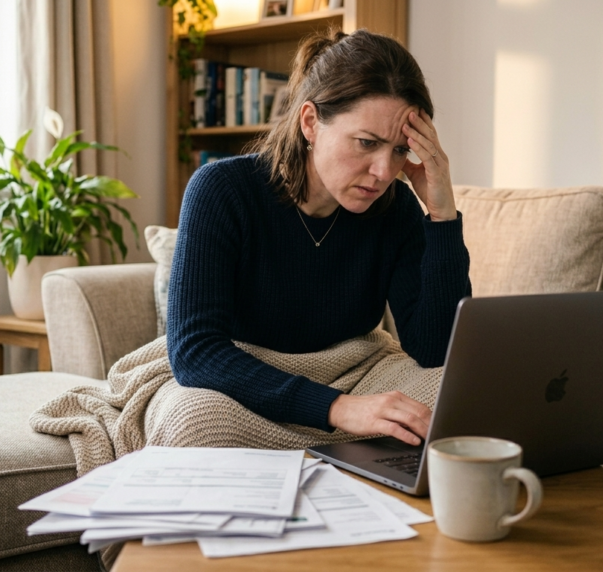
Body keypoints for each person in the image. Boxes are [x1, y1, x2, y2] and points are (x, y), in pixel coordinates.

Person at [166, 28, 471, 446]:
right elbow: (195, 351)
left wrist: (442, 214)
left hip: (355, 370)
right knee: (197, 425)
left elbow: (436, 352)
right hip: (245, 377)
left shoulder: (396, 207)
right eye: (367, 143)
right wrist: (337, 408)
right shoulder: (222, 190)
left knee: (453, 400)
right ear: (310, 122)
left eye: (401, 150)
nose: (384, 171)